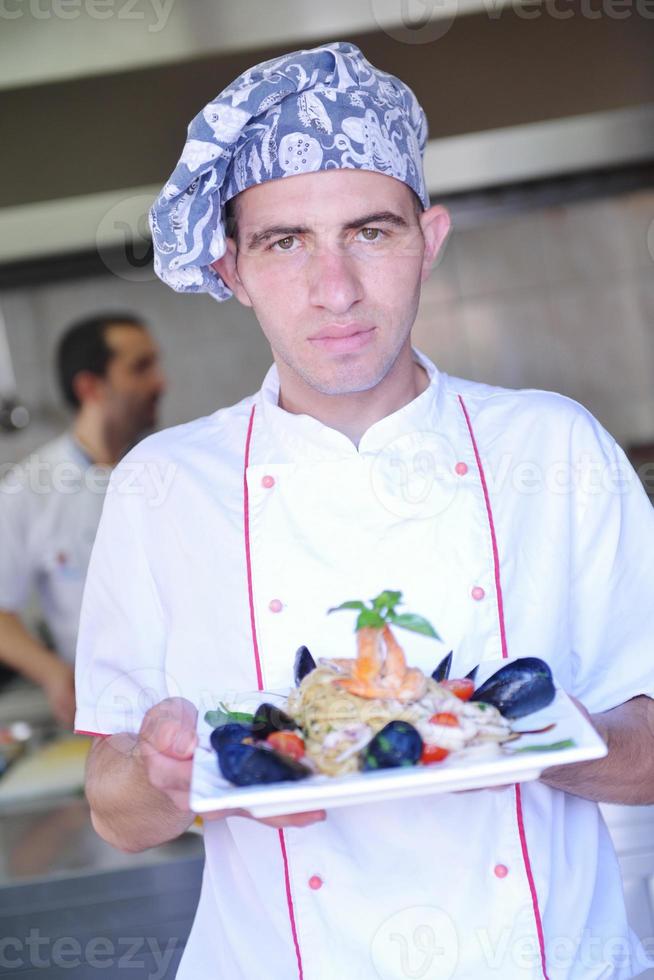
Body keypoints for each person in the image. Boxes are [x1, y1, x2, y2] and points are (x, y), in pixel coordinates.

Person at [75, 42, 654, 980]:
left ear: (429, 238)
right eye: (285, 241)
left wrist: (509, 735)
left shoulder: (554, 448)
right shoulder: (165, 485)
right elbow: (115, 809)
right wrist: (163, 770)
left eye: (371, 233)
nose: (334, 288)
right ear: (233, 268)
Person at [0, 313, 166, 727]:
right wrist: (54, 674)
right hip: (102, 713)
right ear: (90, 386)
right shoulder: (29, 490)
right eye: (140, 368)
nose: (160, 381)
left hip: (190, 695)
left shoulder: (171, 465)